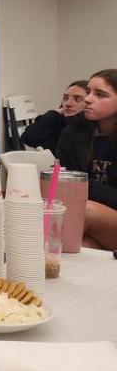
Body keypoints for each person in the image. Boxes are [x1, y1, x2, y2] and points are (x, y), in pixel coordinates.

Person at [56, 69, 117, 251]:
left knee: (83, 210)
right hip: (88, 216)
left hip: (91, 211)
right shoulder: (75, 131)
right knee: (81, 246)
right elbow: (64, 179)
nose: (88, 99)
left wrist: (85, 186)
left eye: (100, 95)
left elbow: (73, 184)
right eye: (89, 92)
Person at [20, 80, 89, 153]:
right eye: (65, 98)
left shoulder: (92, 129)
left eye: (77, 99)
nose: (68, 103)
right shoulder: (55, 121)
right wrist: (53, 114)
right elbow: (28, 138)